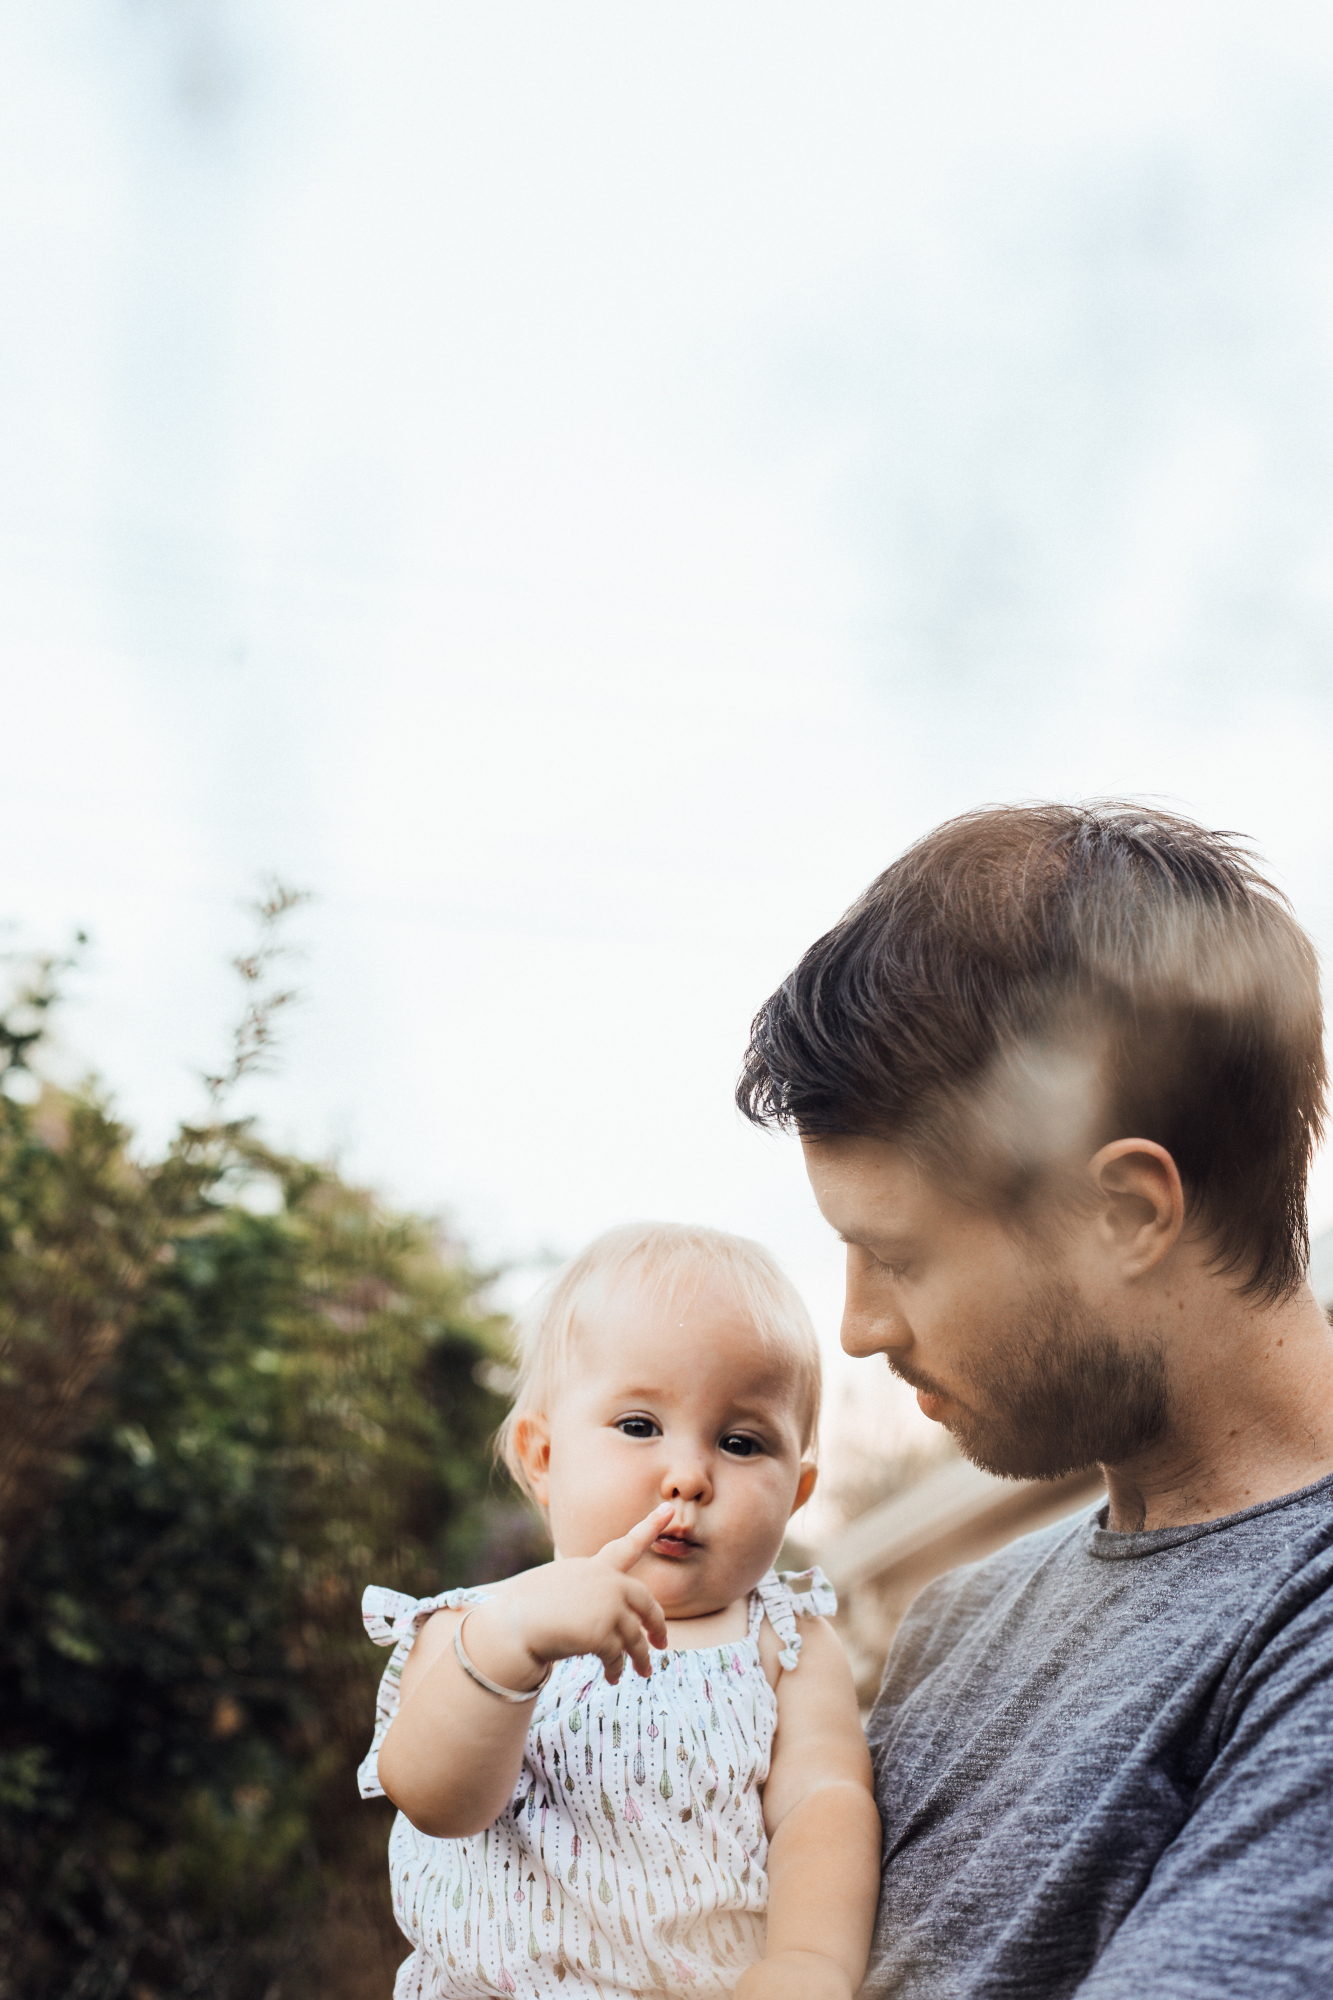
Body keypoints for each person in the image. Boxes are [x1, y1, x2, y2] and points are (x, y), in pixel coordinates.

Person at [737, 801, 1333, 2000]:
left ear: (1124, 1213)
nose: (858, 1327)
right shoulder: (960, 1619)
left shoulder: (1300, 1615)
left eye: (897, 1254)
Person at [358, 1222, 881, 2000]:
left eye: (740, 1443)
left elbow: (823, 1803)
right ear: (543, 1459)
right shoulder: (476, 1624)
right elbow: (435, 1801)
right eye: (639, 1427)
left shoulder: (785, 1643)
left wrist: (808, 1962)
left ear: (797, 1494)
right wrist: (509, 1648)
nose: (687, 1476)